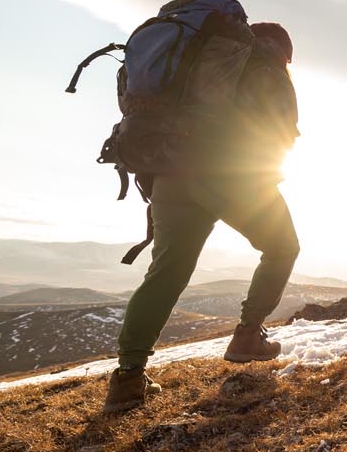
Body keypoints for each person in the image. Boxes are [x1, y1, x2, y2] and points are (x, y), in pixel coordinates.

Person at [103, 21, 302, 413]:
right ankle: (247, 337)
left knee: (166, 273)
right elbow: (280, 131)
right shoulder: (264, 64)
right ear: (283, 51)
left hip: (169, 173)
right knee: (282, 247)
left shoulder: (193, 66)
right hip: (230, 174)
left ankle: (127, 377)